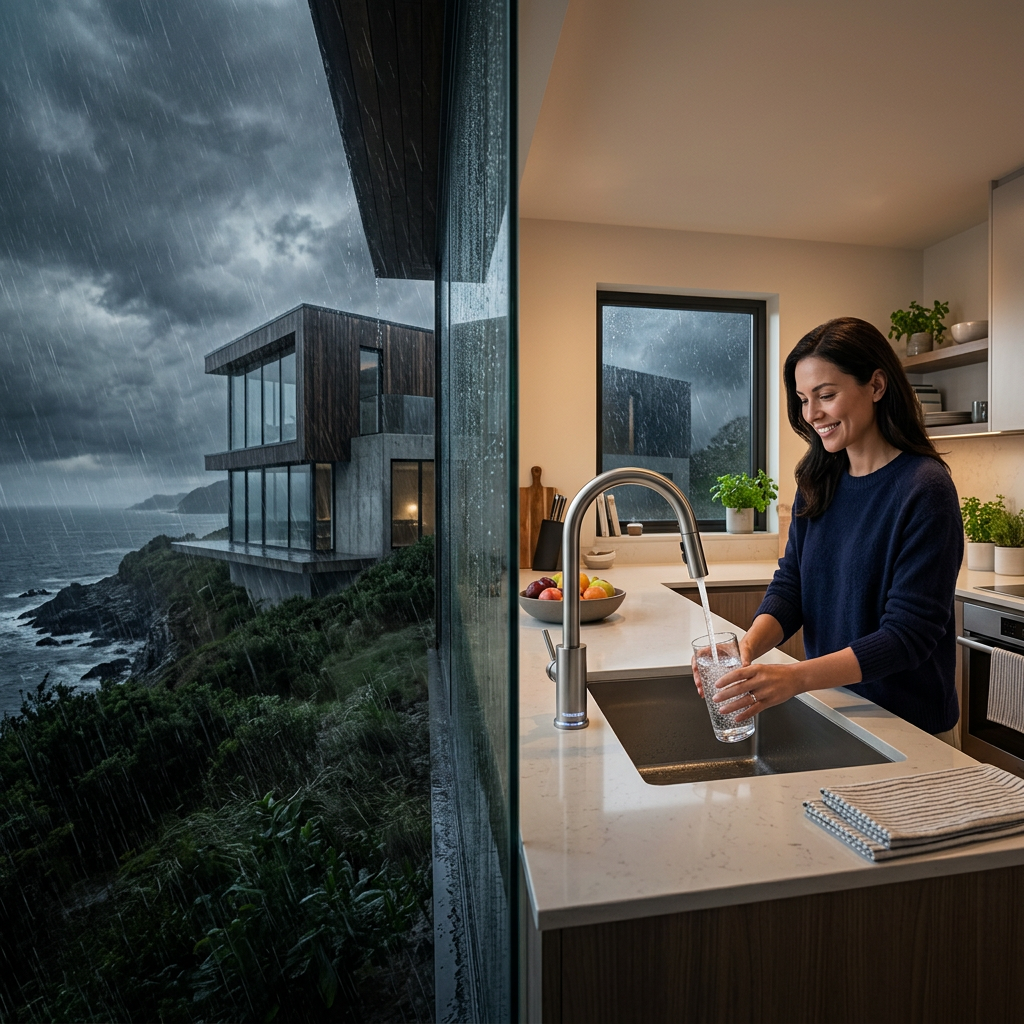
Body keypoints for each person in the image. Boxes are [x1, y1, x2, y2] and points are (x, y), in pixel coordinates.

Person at [698, 316, 964, 747]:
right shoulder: (819, 482)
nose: (812, 414)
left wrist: (794, 677)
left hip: (911, 732)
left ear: (876, 386)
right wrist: (744, 652)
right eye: (803, 399)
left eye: (826, 395)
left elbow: (907, 637)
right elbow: (792, 588)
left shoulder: (924, 489)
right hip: (837, 710)